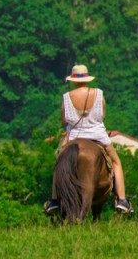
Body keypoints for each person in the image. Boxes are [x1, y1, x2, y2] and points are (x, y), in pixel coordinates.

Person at [45, 65, 133, 214]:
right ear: (87, 79)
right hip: (97, 135)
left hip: (74, 136)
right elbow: (102, 116)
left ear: (73, 80)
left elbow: (64, 121)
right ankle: (122, 200)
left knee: (59, 163)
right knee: (116, 162)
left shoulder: (67, 97)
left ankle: (53, 201)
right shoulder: (98, 94)